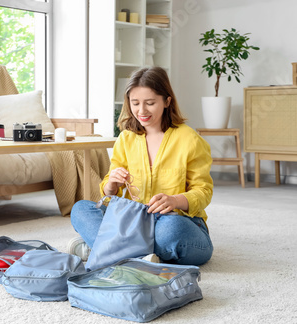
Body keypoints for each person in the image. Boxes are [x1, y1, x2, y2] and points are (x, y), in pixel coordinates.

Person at [68, 66, 214, 266]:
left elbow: (204, 191)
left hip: (174, 221)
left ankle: (108, 250)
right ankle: (143, 257)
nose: (141, 111)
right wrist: (111, 183)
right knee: (81, 209)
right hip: (132, 223)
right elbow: (109, 193)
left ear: (167, 101)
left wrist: (176, 200)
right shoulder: (126, 139)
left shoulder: (190, 139)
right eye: (135, 103)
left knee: (171, 231)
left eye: (150, 103)